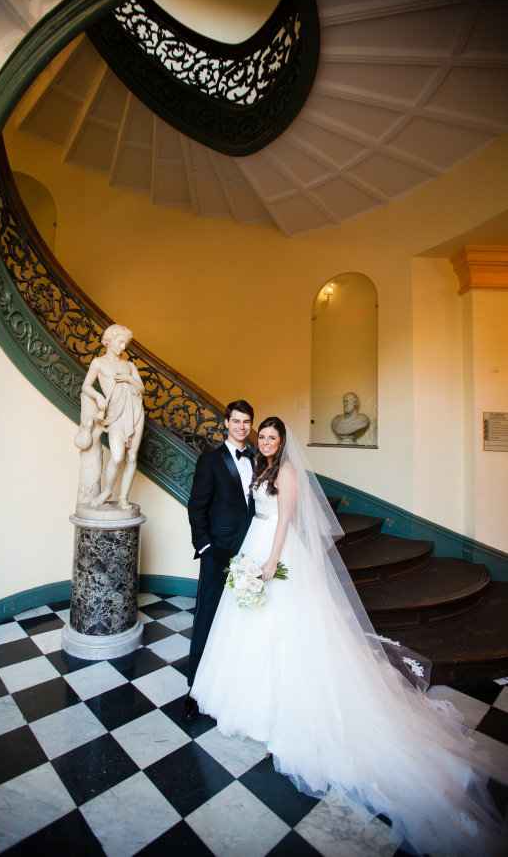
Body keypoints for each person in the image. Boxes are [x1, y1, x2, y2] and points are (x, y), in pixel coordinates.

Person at [191, 417, 505, 857]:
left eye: (271, 437)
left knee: (284, 627)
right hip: (251, 546)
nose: (264, 441)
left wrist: (271, 561)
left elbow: (285, 521)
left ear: (282, 443)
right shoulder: (262, 469)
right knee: (249, 622)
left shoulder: (286, 472)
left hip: (274, 553)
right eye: (260, 435)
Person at [185, 399, 255, 720]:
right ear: (226, 422)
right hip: (217, 554)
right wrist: (205, 547)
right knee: (207, 616)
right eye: (236, 421)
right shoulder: (210, 460)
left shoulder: (258, 459)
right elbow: (196, 506)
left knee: (243, 617)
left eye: (247, 422)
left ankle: (233, 682)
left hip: (251, 552)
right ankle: (195, 687)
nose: (242, 427)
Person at [74, 324, 144, 509]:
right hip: (115, 413)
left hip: (135, 410)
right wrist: (98, 396)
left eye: (125, 343)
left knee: (132, 457)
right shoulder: (98, 363)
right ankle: (107, 491)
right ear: (109, 340)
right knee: (118, 456)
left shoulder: (129, 365)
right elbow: (86, 386)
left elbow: (142, 389)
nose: (123, 347)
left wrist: (129, 379)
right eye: (120, 342)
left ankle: (123, 497)